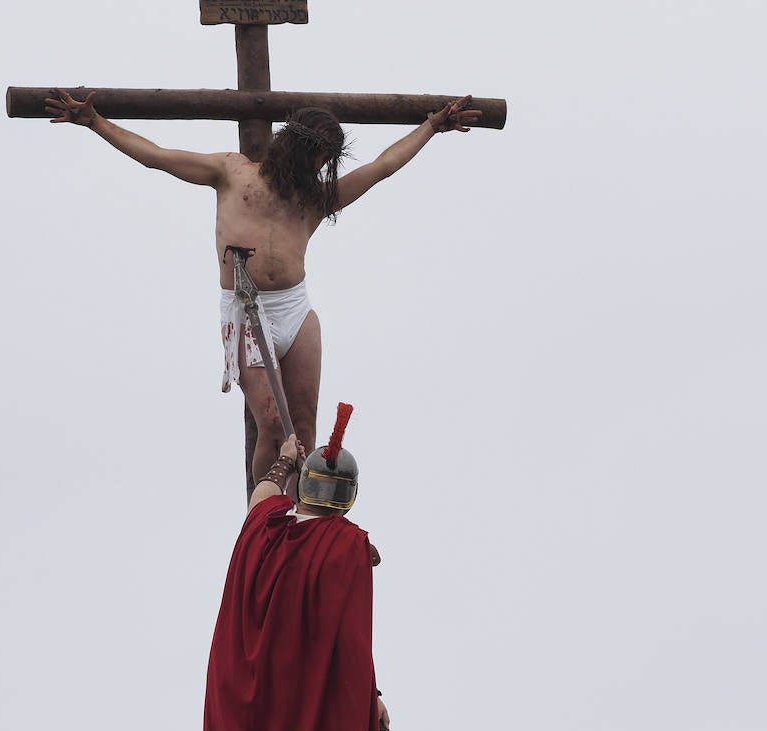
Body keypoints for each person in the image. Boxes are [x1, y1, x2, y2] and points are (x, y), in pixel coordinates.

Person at [44, 91, 480, 489]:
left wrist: (429, 128)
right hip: (246, 309)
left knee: (304, 428)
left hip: (295, 307)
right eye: (316, 157)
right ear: (295, 148)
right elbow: (157, 156)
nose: (318, 168)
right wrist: (95, 122)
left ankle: (297, 515)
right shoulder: (232, 172)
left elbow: (381, 167)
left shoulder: (316, 199)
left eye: (325, 161)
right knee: (272, 425)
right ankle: (263, 516)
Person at [200, 405, 388, 731]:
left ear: (302, 487)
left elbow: (263, 491)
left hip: (241, 684)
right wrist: (370, 698)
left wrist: (284, 459)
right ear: (348, 497)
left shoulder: (263, 523)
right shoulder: (348, 546)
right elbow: (352, 640)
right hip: (302, 693)